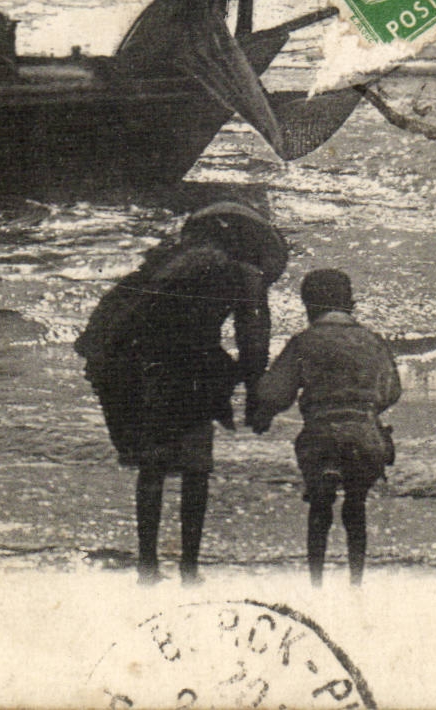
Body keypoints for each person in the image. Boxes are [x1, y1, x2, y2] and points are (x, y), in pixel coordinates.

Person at [76, 202, 285, 584]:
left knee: (152, 466)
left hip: (130, 362)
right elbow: (253, 338)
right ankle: (189, 567)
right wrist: (254, 394)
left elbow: (111, 320)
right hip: (184, 365)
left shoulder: (167, 261)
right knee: (195, 468)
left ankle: (147, 564)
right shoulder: (242, 272)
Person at [250, 269, 401, 587]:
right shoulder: (372, 341)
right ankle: (356, 580)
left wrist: (263, 413)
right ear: (351, 304)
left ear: (308, 306)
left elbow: (276, 391)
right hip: (364, 436)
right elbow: (391, 391)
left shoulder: (304, 341)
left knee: (320, 504)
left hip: (320, 435)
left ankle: (316, 581)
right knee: (356, 503)